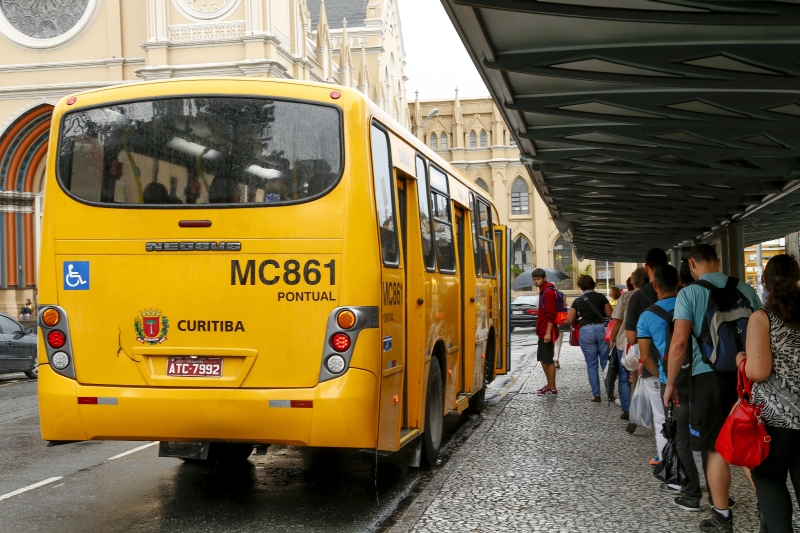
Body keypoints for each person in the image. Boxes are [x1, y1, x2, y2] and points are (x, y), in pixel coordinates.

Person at [664, 244, 762, 533]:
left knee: (714, 449)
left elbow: (680, 342)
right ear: (717, 261)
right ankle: (769, 506)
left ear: (691, 263)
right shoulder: (745, 288)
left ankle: (722, 517)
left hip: (709, 378)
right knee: (749, 443)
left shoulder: (690, 293)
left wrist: (670, 383)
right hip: (747, 376)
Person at [737, 254, 800, 533]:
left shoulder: (763, 318)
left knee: (769, 479)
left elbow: (759, 370)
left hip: (776, 420)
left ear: (764, 281)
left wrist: (741, 359)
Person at [636, 265, 702, 509]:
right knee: (711, 440)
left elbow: (646, 357)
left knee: (681, 438)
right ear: (678, 281)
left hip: (673, 383)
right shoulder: (694, 304)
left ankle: (691, 494)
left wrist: (665, 377)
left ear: (655, 285)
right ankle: (720, 496)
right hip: (704, 377)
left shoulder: (647, 316)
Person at [625, 248, 669, 464]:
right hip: (688, 366)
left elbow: (632, 338)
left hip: (655, 366)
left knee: (661, 417)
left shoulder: (638, 297)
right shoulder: (685, 292)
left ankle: (665, 460)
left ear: (647, 267)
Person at [609, 267, 648, 433]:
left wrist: (612, 338)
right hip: (649, 341)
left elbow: (617, 320)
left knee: (628, 378)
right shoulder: (652, 295)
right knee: (650, 377)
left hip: (627, 343)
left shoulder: (627, 296)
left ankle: (630, 410)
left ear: (633, 281)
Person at [567, 275, 612, 402]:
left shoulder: (578, 300)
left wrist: (578, 318)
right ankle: (610, 393)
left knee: (591, 365)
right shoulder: (601, 297)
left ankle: (596, 395)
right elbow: (610, 314)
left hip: (586, 331)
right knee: (605, 362)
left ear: (580, 286)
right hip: (601, 329)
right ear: (593, 284)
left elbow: (569, 319)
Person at [532, 268, 559, 396]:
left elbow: (551, 315)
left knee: (547, 360)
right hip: (542, 331)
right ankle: (549, 385)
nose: (536, 281)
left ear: (544, 279)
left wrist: (548, 333)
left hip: (547, 332)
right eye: (534, 279)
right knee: (543, 359)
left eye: (538, 279)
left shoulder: (547, 292)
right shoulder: (543, 291)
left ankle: (552, 388)